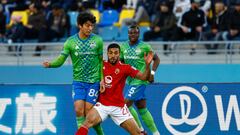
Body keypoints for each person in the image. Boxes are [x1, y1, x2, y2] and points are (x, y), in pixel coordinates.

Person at [42, 11, 104, 135]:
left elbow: (101, 62)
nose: (90, 28)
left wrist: (102, 79)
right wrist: (51, 65)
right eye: (87, 25)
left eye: (92, 25)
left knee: (89, 112)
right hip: (78, 82)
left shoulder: (98, 40)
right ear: (80, 25)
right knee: (78, 110)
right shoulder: (70, 42)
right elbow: (61, 60)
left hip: (93, 82)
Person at [76, 43, 153, 135]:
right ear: (107, 54)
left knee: (137, 133)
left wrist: (148, 65)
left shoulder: (125, 68)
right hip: (102, 105)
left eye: (116, 53)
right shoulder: (101, 65)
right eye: (111, 53)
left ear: (119, 54)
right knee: (86, 123)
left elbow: (144, 77)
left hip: (119, 107)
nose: (113, 55)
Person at [120, 25, 160, 135]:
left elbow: (157, 59)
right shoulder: (123, 47)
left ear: (139, 34)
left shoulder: (145, 46)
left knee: (124, 105)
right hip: (130, 81)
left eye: (135, 33)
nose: (133, 35)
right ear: (128, 34)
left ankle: (140, 131)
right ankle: (156, 133)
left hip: (141, 80)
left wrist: (152, 73)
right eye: (131, 33)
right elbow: (121, 62)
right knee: (141, 107)